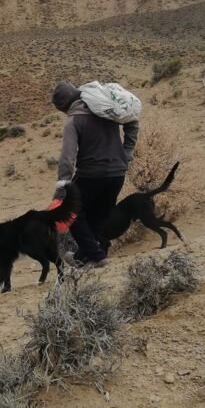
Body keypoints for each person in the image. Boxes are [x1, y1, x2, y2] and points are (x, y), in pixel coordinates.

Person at [52, 81, 139, 268]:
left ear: (63, 107)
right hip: (117, 174)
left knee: (70, 212)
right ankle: (84, 258)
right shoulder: (106, 110)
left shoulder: (73, 121)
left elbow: (67, 158)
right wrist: (127, 151)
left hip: (92, 174)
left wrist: (62, 187)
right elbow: (133, 121)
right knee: (97, 217)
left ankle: (98, 257)